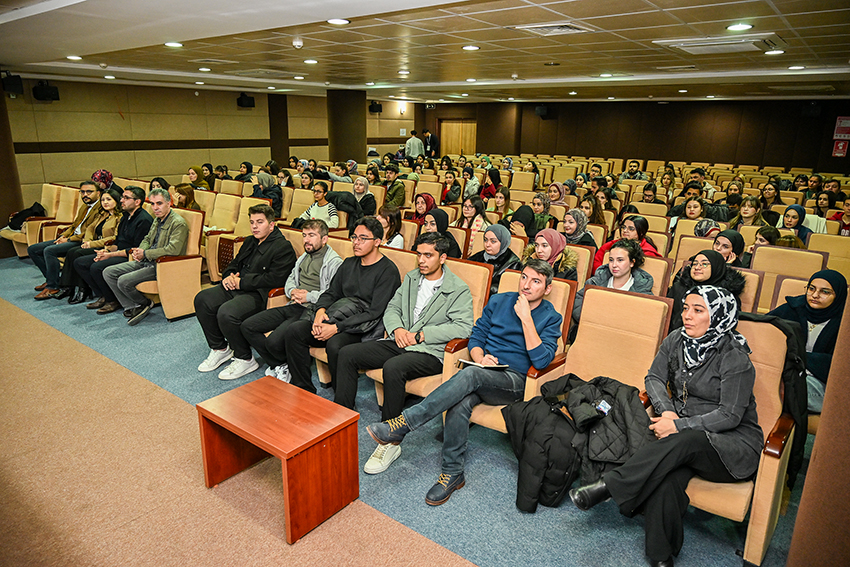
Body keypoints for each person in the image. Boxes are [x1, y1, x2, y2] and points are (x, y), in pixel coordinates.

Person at [570, 286, 762, 567]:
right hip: (683, 439)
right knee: (666, 478)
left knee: (688, 440)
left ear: (718, 316)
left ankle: (610, 485)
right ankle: (661, 557)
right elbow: (654, 378)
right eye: (686, 308)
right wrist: (668, 411)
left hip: (730, 445)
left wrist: (679, 426)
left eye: (698, 310)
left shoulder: (735, 357)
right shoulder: (676, 339)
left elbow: (730, 416)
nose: (687, 316)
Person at [366, 259, 562, 505]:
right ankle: (452, 472)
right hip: (484, 370)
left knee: (470, 375)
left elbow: (542, 360)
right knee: (461, 400)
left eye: (536, 281)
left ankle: (404, 423)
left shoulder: (551, 317)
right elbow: (477, 336)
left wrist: (526, 319)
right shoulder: (500, 301)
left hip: (514, 380)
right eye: (524, 277)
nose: (526, 285)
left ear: (547, 288)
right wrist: (480, 358)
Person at [336, 232, 474, 473]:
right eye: (419, 254)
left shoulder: (457, 289)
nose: (421, 260)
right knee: (348, 353)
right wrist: (397, 328)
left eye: (428, 255)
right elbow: (392, 308)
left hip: (430, 351)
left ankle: (390, 440)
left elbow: (463, 327)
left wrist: (422, 335)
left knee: (394, 367)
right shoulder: (411, 278)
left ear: (442, 258)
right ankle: (341, 417)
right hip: (401, 340)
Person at [280, 217, 401, 394]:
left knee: (335, 344)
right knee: (295, 330)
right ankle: (303, 388)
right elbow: (332, 293)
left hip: (364, 327)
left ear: (377, 242)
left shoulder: (388, 271)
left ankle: (341, 395)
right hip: (339, 316)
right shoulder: (349, 263)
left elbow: (374, 312)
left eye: (363, 238)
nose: (356, 243)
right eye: (354, 237)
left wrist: (336, 328)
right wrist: (320, 311)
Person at [194, 204, 297, 380]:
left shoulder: (282, 247)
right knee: (202, 299)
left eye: (260, 222)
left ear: (271, 225)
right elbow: (234, 264)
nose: (254, 226)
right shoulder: (250, 241)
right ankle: (220, 348)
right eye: (252, 222)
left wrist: (242, 282)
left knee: (227, 312)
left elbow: (275, 279)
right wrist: (228, 276)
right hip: (237, 286)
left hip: (259, 294)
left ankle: (244, 358)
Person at [239, 220, 342, 382]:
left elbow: (333, 293)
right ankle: (281, 363)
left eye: (312, 235)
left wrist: (308, 296)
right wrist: (292, 291)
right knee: (247, 326)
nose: (306, 240)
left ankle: (285, 364)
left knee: (273, 342)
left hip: (312, 310)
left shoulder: (334, 262)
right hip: (294, 304)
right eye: (304, 235)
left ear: (324, 239)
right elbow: (290, 278)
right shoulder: (304, 257)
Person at [102, 187, 189, 325]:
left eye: (159, 203)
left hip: (162, 265)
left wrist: (145, 253)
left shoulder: (178, 223)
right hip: (147, 259)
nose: (155, 208)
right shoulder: (157, 219)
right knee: (108, 272)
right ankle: (132, 306)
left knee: (123, 281)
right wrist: (140, 250)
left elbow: (173, 250)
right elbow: (147, 239)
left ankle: (145, 303)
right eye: (152, 204)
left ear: (169, 203)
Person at [769, 270, 847, 412]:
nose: (815, 295)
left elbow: (840, 366)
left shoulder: (845, 322)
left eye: (825, 292)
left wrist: (800, 358)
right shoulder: (792, 308)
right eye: (811, 289)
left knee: (788, 386)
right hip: (786, 372)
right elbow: (765, 332)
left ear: (838, 296)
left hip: (822, 383)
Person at [75, 186, 154, 314]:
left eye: (126, 198)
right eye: (122, 197)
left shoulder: (143, 220)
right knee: (80, 262)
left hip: (130, 256)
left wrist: (111, 255)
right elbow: (118, 241)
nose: (121, 200)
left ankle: (112, 300)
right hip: (119, 251)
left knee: (96, 267)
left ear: (137, 202)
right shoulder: (126, 216)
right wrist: (106, 251)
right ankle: (103, 295)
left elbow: (136, 249)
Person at [31, 181, 103, 300]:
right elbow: (74, 225)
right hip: (71, 237)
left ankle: (52, 286)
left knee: (49, 251)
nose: (85, 195)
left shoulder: (101, 208)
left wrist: (69, 239)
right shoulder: (84, 206)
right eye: (83, 192)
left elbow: (91, 231)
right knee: (33, 249)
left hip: (81, 240)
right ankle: (52, 279)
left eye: (89, 192)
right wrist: (63, 236)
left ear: (98, 193)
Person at [59, 188, 124, 305]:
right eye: (103, 200)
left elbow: (115, 237)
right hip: (94, 243)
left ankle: (83, 289)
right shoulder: (103, 214)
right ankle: (69, 287)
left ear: (117, 200)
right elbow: (90, 228)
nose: (105, 202)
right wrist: (87, 241)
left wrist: (92, 244)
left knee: (77, 254)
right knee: (72, 252)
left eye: (109, 199)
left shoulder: (120, 217)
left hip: (107, 247)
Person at [574, 239, 653, 325]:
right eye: (611, 260)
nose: (614, 265)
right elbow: (577, 303)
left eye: (620, 260)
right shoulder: (596, 281)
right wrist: (594, 319)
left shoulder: (642, 289)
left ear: (632, 263)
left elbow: (645, 319)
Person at [667, 250, 746, 332]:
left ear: (716, 267)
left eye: (704, 264)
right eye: (695, 264)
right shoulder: (679, 287)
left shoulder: (726, 295)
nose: (697, 267)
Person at [592, 215, 660, 271]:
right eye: (623, 227)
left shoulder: (648, 252)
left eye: (631, 229)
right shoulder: (610, 244)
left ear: (641, 232)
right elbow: (596, 263)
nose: (625, 230)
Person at [468, 224, 521, 296]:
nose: (487, 245)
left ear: (503, 242)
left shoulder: (514, 264)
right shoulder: (478, 256)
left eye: (493, 241)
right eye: (485, 240)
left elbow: (504, 291)